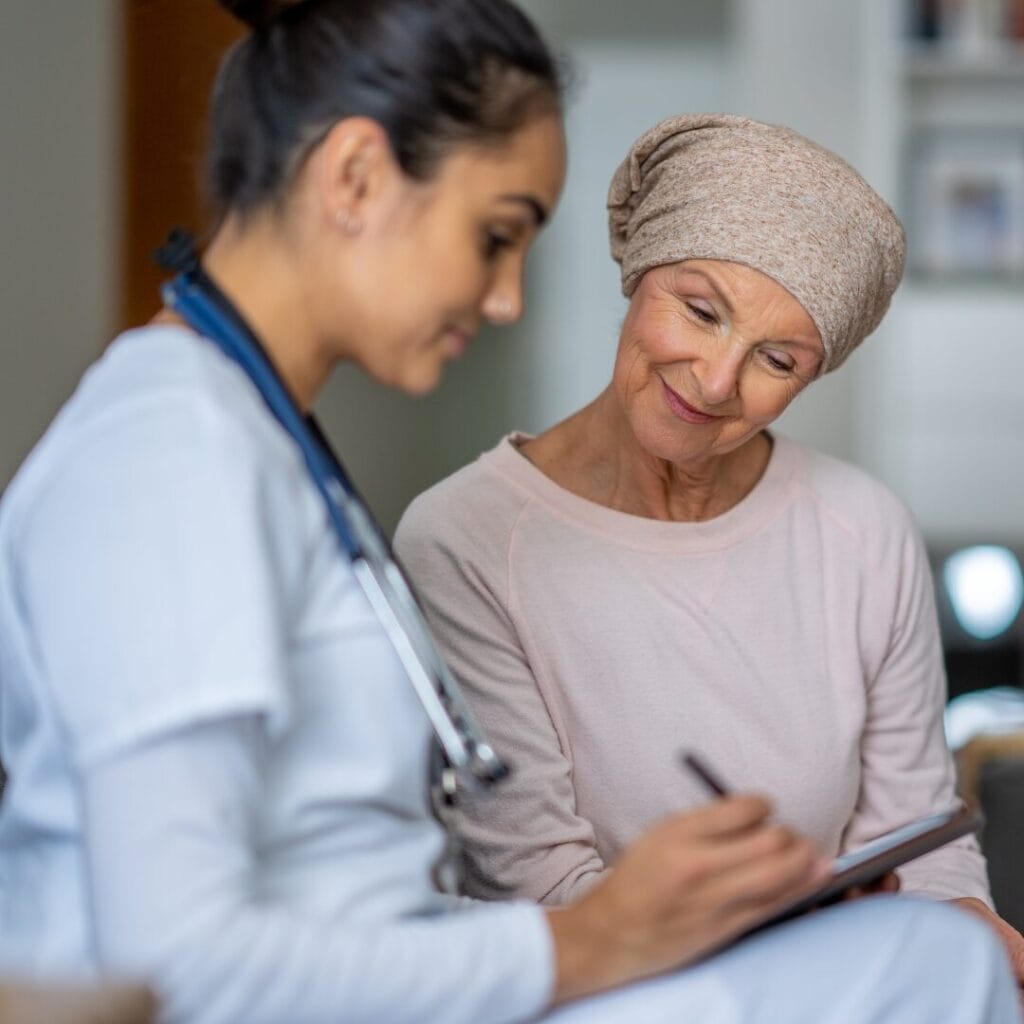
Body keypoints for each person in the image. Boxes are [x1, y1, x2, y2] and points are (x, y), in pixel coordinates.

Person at [0, 6, 1017, 1019]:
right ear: (353, 178)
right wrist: (590, 936)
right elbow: (178, 966)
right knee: (928, 973)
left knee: (937, 958)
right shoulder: (172, 458)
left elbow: (334, 879)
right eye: (495, 236)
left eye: (776, 359)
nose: (506, 302)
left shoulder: (250, 439)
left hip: (418, 966)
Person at [395, 114, 1024, 980]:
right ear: (638, 274)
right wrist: (802, 942)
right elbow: (539, 889)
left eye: (777, 359)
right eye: (699, 310)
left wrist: (959, 918)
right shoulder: (463, 538)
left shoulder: (864, 528)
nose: (717, 380)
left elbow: (916, 840)